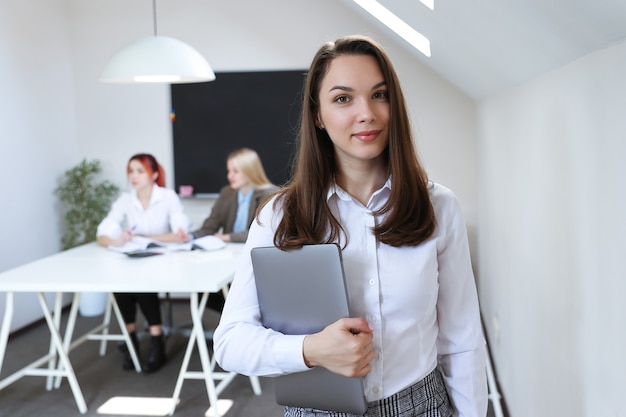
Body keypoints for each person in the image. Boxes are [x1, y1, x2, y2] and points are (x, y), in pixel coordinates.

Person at [213, 35, 488, 417]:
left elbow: (461, 339)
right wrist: (310, 350)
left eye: (380, 94)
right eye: (343, 99)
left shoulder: (439, 206)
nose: (367, 114)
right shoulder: (278, 215)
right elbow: (229, 343)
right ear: (317, 115)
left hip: (422, 405)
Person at [96, 153, 190, 373]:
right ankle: (131, 340)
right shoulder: (126, 200)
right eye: (131, 171)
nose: (134, 176)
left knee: (142, 281)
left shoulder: (167, 197)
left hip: (164, 261)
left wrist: (146, 238)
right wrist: (116, 240)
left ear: (154, 174)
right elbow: (102, 233)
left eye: (140, 171)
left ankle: (156, 340)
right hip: (137, 258)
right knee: (120, 281)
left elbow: (179, 233)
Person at [190, 147, 278, 311]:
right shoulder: (227, 193)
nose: (229, 176)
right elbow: (211, 225)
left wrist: (227, 238)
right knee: (203, 289)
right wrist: (189, 237)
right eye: (229, 170)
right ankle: (235, 319)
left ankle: (241, 318)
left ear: (250, 171)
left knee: (243, 296)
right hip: (229, 256)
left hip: (254, 258)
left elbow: (261, 233)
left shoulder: (270, 194)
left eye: (235, 171)